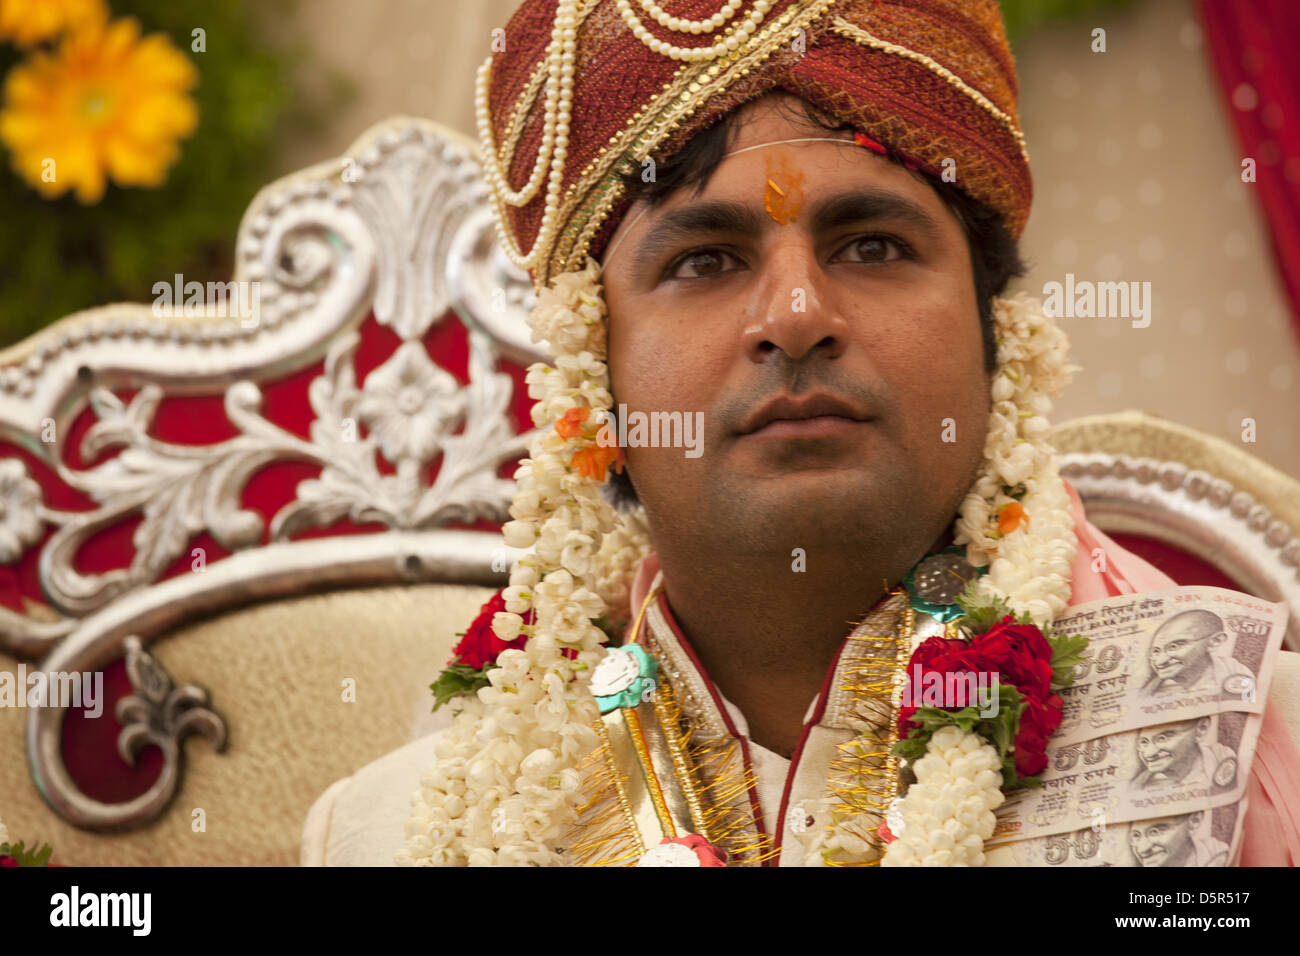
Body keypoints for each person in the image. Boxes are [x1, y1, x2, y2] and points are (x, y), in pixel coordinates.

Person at [303, 0, 1300, 867]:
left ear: (1000, 337)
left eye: (871, 244)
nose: (793, 313)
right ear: (588, 372)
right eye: (703, 260)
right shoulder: (395, 833)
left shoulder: (1252, 745)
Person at [1142, 609, 1256, 699]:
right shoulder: (1148, 693)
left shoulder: (1237, 674)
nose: (1160, 662)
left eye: (1174, 647)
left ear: (1215, 642)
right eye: (1156, 651)